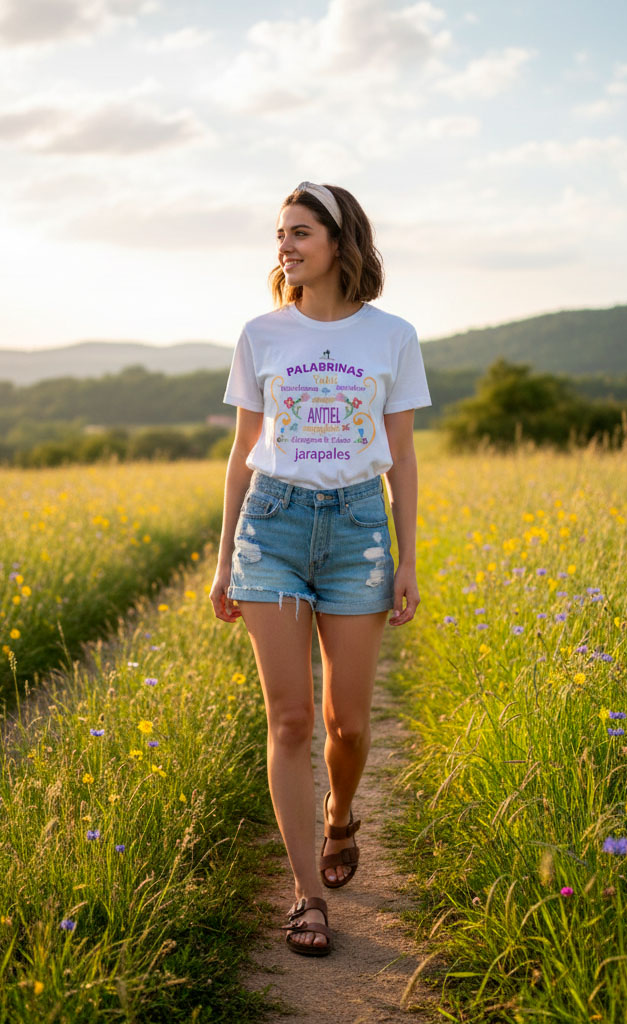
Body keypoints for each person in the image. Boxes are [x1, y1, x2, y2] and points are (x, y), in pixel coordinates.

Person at [209, 182, 430, 957]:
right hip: (271, 526)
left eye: (300, 233)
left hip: (358, 532)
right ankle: (306, 897)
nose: (285, 247)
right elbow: (241, 455)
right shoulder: (260, 334)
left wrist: (407, 557)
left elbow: (401, 455)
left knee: (349, 723)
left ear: (341, 242)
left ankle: (341, 815)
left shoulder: (392, 336)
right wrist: (222, 557)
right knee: (291, 718)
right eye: (280, 236)